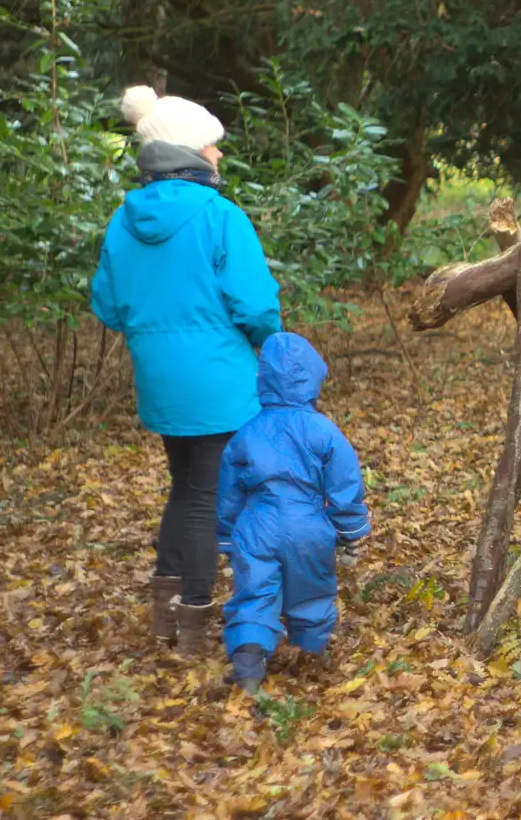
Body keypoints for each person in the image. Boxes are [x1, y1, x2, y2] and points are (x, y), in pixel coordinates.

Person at [91, 86, 282, 657]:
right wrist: (270, 347)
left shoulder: (122, 222)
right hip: (219, 380)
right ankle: (196, 624)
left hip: (160, 381)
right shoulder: (221, 217)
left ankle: (164, 612)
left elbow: (108, 305)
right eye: (211, 146)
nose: (218, 156)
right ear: (187, 152)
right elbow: (255, 305)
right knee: (204, 498)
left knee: (186, 488)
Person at [217, 332, 370, 694]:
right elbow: (345, 484)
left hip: (258, 525)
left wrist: (225, 535)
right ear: (314, 378)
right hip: (309, 526)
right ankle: (310, 653)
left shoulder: (247, 432)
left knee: (254, 592)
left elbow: (230, 489)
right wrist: (350, 533)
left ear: (264, 380)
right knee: (312, 592)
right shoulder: (324, 431)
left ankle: (249, 664)